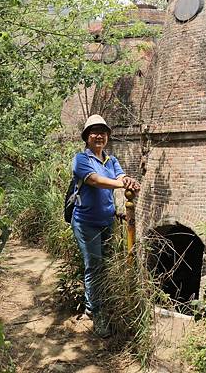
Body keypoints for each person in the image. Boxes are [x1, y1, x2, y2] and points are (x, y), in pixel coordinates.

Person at [71, 114, 140, 338]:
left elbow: (120, 175)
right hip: (85, 223)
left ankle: (106, 301)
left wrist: (128, 180)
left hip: (107, 222)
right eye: (94, 132)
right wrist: (122, 183)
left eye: (103, 132)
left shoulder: (111, 161)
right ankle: (95, 311)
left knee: (107, 264)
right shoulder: (81, 159)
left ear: (107, 136)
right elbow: (94, 181)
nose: (99, 135)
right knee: (95, 265)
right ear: (87, 137)